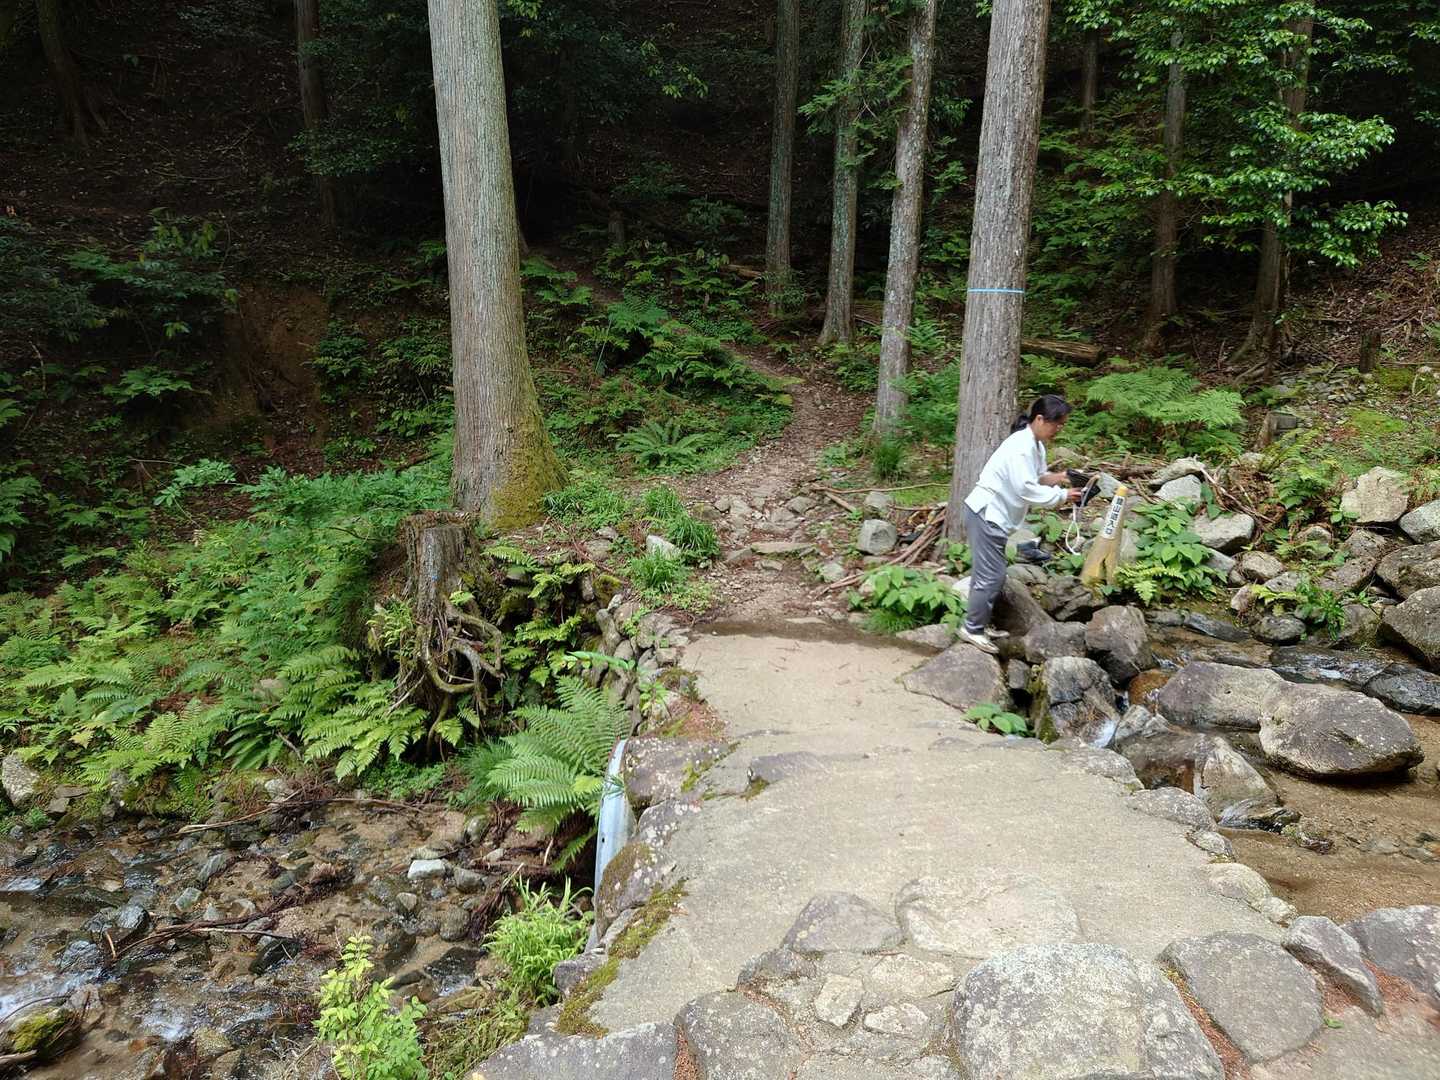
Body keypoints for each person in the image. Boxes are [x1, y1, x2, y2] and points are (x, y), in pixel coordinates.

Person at [958, 395, 1081, 654]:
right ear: (1040, 419)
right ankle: (972, 629)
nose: (1059, 429)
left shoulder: (1035, 445)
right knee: (992, 575)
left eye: (1062, 424)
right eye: (1057, 423)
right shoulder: (1020, 447)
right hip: (987, 513)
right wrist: (1062, 496)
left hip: (994, 516)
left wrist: (1062, 478)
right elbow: (1025, 489)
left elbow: (1038, 478)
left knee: (988, 574)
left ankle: (979, 624)